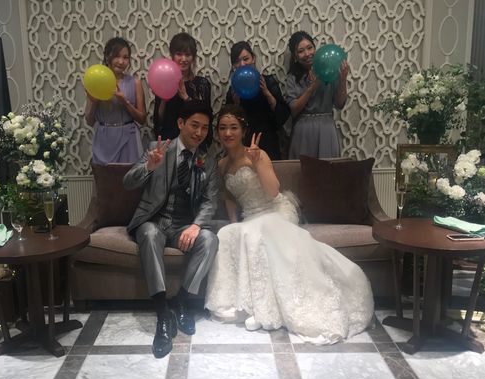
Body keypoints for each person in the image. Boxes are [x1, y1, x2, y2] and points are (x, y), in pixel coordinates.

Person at [205, 105, 373, 344]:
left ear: (243, 130)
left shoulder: (257, 154)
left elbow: (274, 191)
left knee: (262, 233)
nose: (228, 133)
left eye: (234, 128)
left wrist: (256, 163)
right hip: (250, 217)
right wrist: (235, 227)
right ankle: (249, 305)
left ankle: (267, 309)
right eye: (223, 128)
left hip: (275, 210)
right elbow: (229, 198)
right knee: (228, 234)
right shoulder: (221, 165)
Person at [124, 100, 219, 358]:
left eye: (205, 128)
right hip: (154, 220)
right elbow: (127, 182)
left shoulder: (207, 160)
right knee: (149, 234)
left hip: (182, 226)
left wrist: (196, 226)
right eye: (194, 125)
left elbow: (210, 201)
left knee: (210, 239)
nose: (199, 132)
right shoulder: (156, 149)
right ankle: (162, 313)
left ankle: (183, 301)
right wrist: (148, 167)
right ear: (180, 123)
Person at [285, 31, 349, 159]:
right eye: (301, 51)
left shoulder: (329, 70)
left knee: (327, 169)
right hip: (303, 131)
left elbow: (340, 104)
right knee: (303, 170)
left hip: (326, 129)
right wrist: (312, 87)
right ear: (295, 56)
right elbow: (294, 109)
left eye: (310, 48)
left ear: (315, 48)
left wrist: (342, 80)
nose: (307, 54)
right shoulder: (292, 77)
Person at [85, 37, 146, 164]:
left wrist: (125, 101)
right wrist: (95, 101)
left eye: (125, 57)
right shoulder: (96, 81)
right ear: (108, 57)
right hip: (104, 140)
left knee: (130, 176)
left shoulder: (135, 83)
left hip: (129, 139)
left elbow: (142, 119)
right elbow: (89, 121)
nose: (121, 61)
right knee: (104, 176)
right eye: (117, 56)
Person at [225, 41, 290, 160]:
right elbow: (228, 123)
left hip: (268, 140)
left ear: (253, 58)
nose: (242, 64)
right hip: (243, 142)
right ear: (233, 65)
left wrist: (267, 92)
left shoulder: (268, 81)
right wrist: (236, 104)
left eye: (246, 59)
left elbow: (283, 117)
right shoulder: (234, 89)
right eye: (237, 61)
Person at [153, 33, 212, 147]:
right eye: (179, 54)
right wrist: (164, 99)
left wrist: (185, 97)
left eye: (188, 55)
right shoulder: (164, 82)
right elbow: (159, 119)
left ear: (193, 57)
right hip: (169, 141)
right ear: (172, 56)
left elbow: (206, 116)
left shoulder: (202, 84)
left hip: (194, 141)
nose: (183, 59)